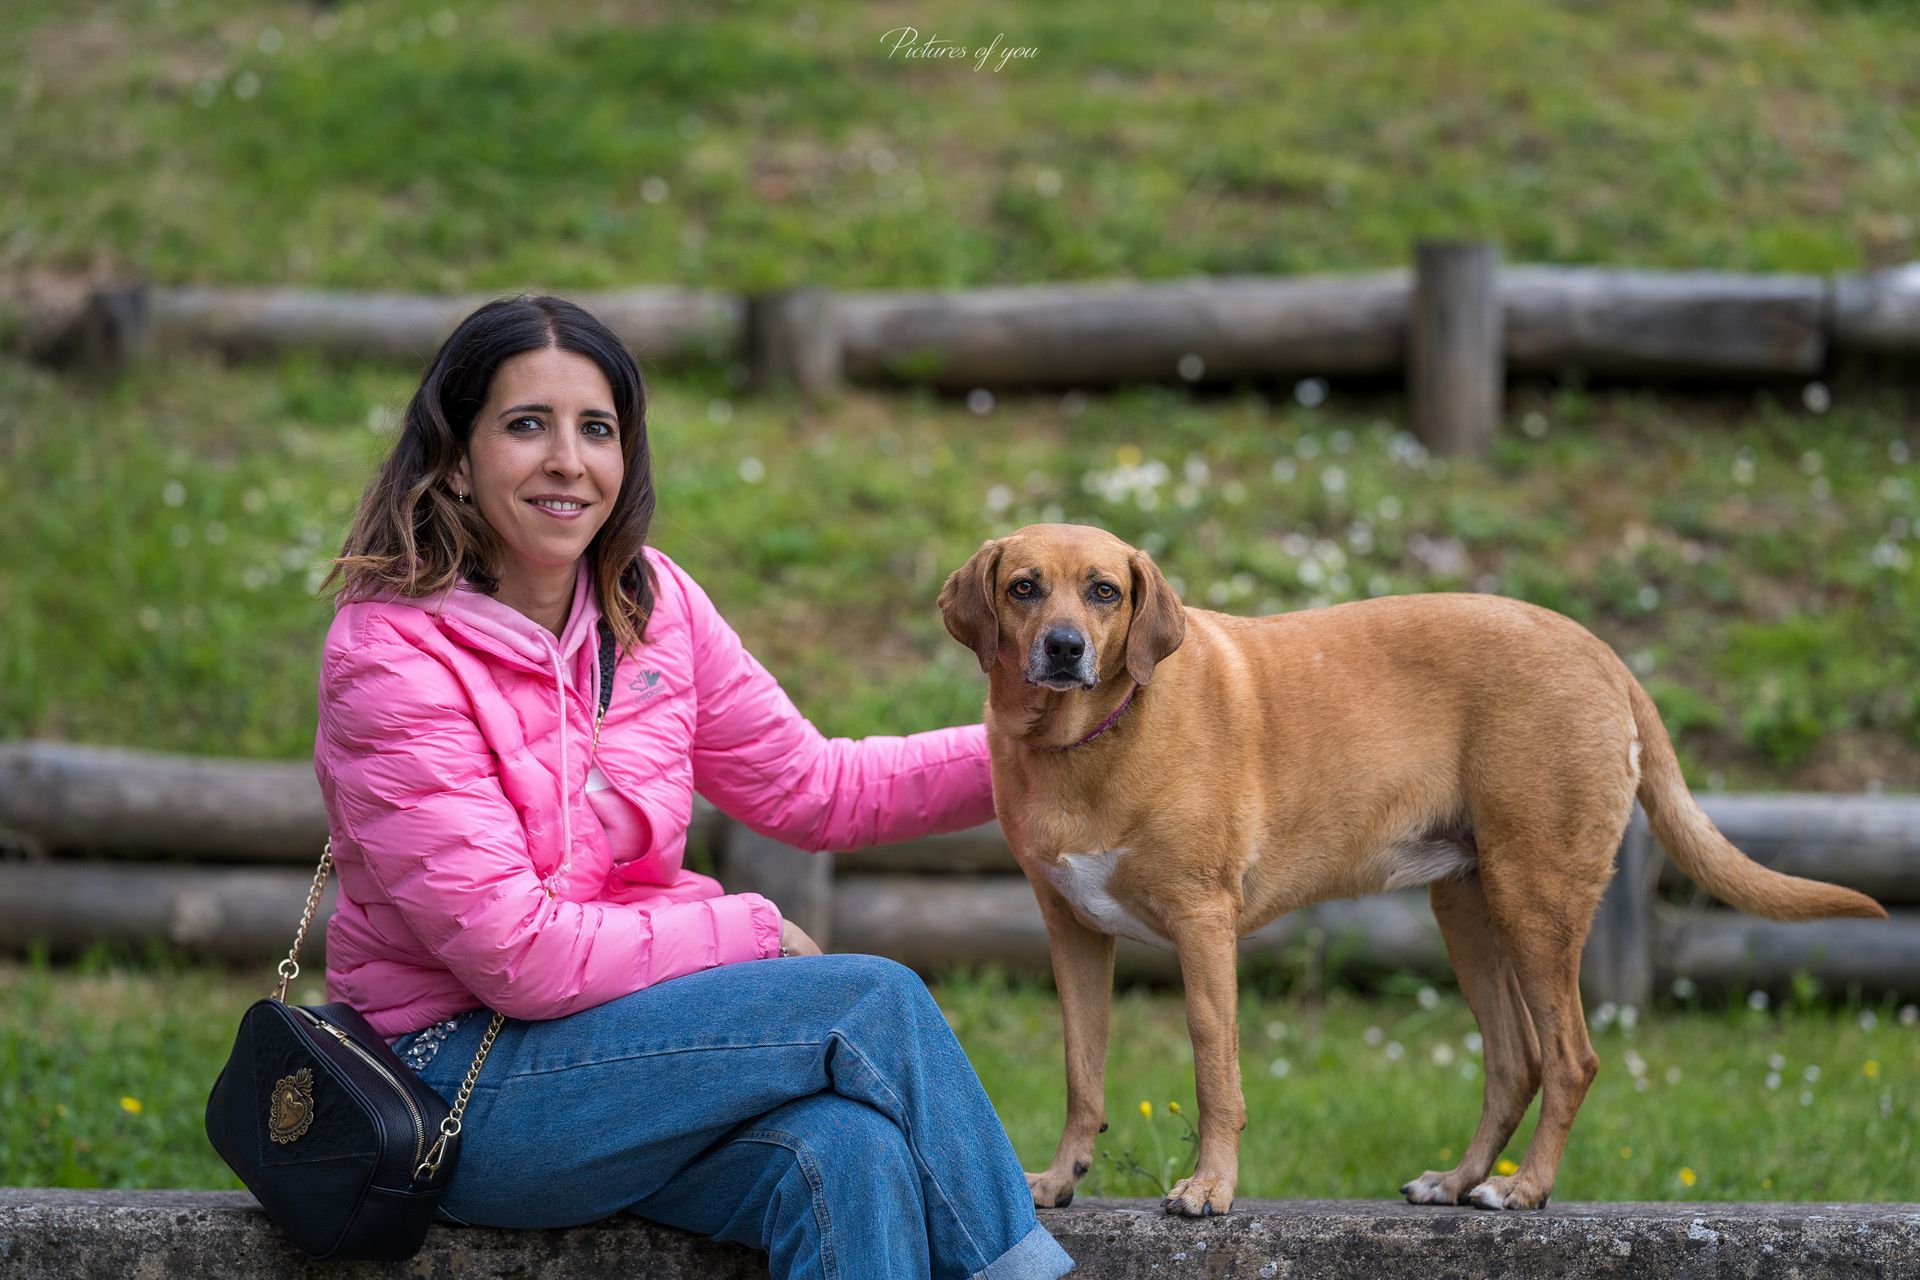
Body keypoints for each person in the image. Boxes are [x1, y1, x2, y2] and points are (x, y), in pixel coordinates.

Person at [312, 295, 1075, 1280]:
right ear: (458, 456)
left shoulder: (652, 603)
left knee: (848, 1152)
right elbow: (520, 956)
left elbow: (816, 786)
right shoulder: (391, 655)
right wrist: (752, 929)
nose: (567, 460)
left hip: (626, 1064)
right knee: (867, 1001)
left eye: (597, 428)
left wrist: (1043, 744)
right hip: (457, 1084)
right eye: (525, 425)